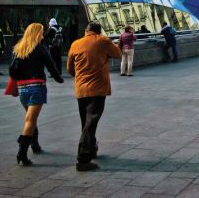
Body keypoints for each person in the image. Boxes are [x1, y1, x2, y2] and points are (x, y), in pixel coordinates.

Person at [67, 21, 122, 171]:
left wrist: (80, 76)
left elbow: (70, 69)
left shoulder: (75, 44)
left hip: (81, 89)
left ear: (86, 30)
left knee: (86, 122)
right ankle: (83, 159)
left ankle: (91, 149)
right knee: (91, 122)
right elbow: (118, 54)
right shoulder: (102, 40)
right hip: (97, 89)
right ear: (99, 31)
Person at [10, 22, 64, 166]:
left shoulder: (18, 49)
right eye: (41, 32)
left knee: (30, 118)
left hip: (22, 88)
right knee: (30, 120)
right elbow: (51, 67)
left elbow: (12, 70)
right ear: (36, 34)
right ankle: (22, 153)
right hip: (36, 86)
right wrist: (60, 79)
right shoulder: (41, 49)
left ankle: (35, 145)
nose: (42, 35)